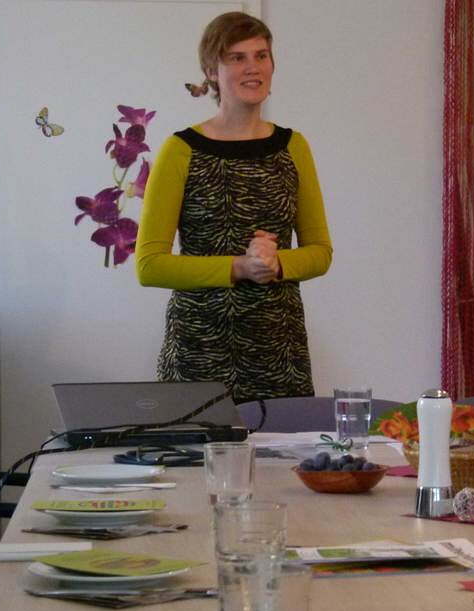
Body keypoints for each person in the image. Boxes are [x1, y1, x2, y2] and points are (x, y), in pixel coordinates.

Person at [136, 11, 332, 403]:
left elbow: (320, 252)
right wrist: (240, 267)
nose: (252, 67)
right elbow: (149, 265)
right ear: (212, 71)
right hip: (197, 352)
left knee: (283, 444)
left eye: (261, 56)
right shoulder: (180, 149)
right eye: (237, 58)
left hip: (278, 352)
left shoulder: (294, 146)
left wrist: (277, 263)